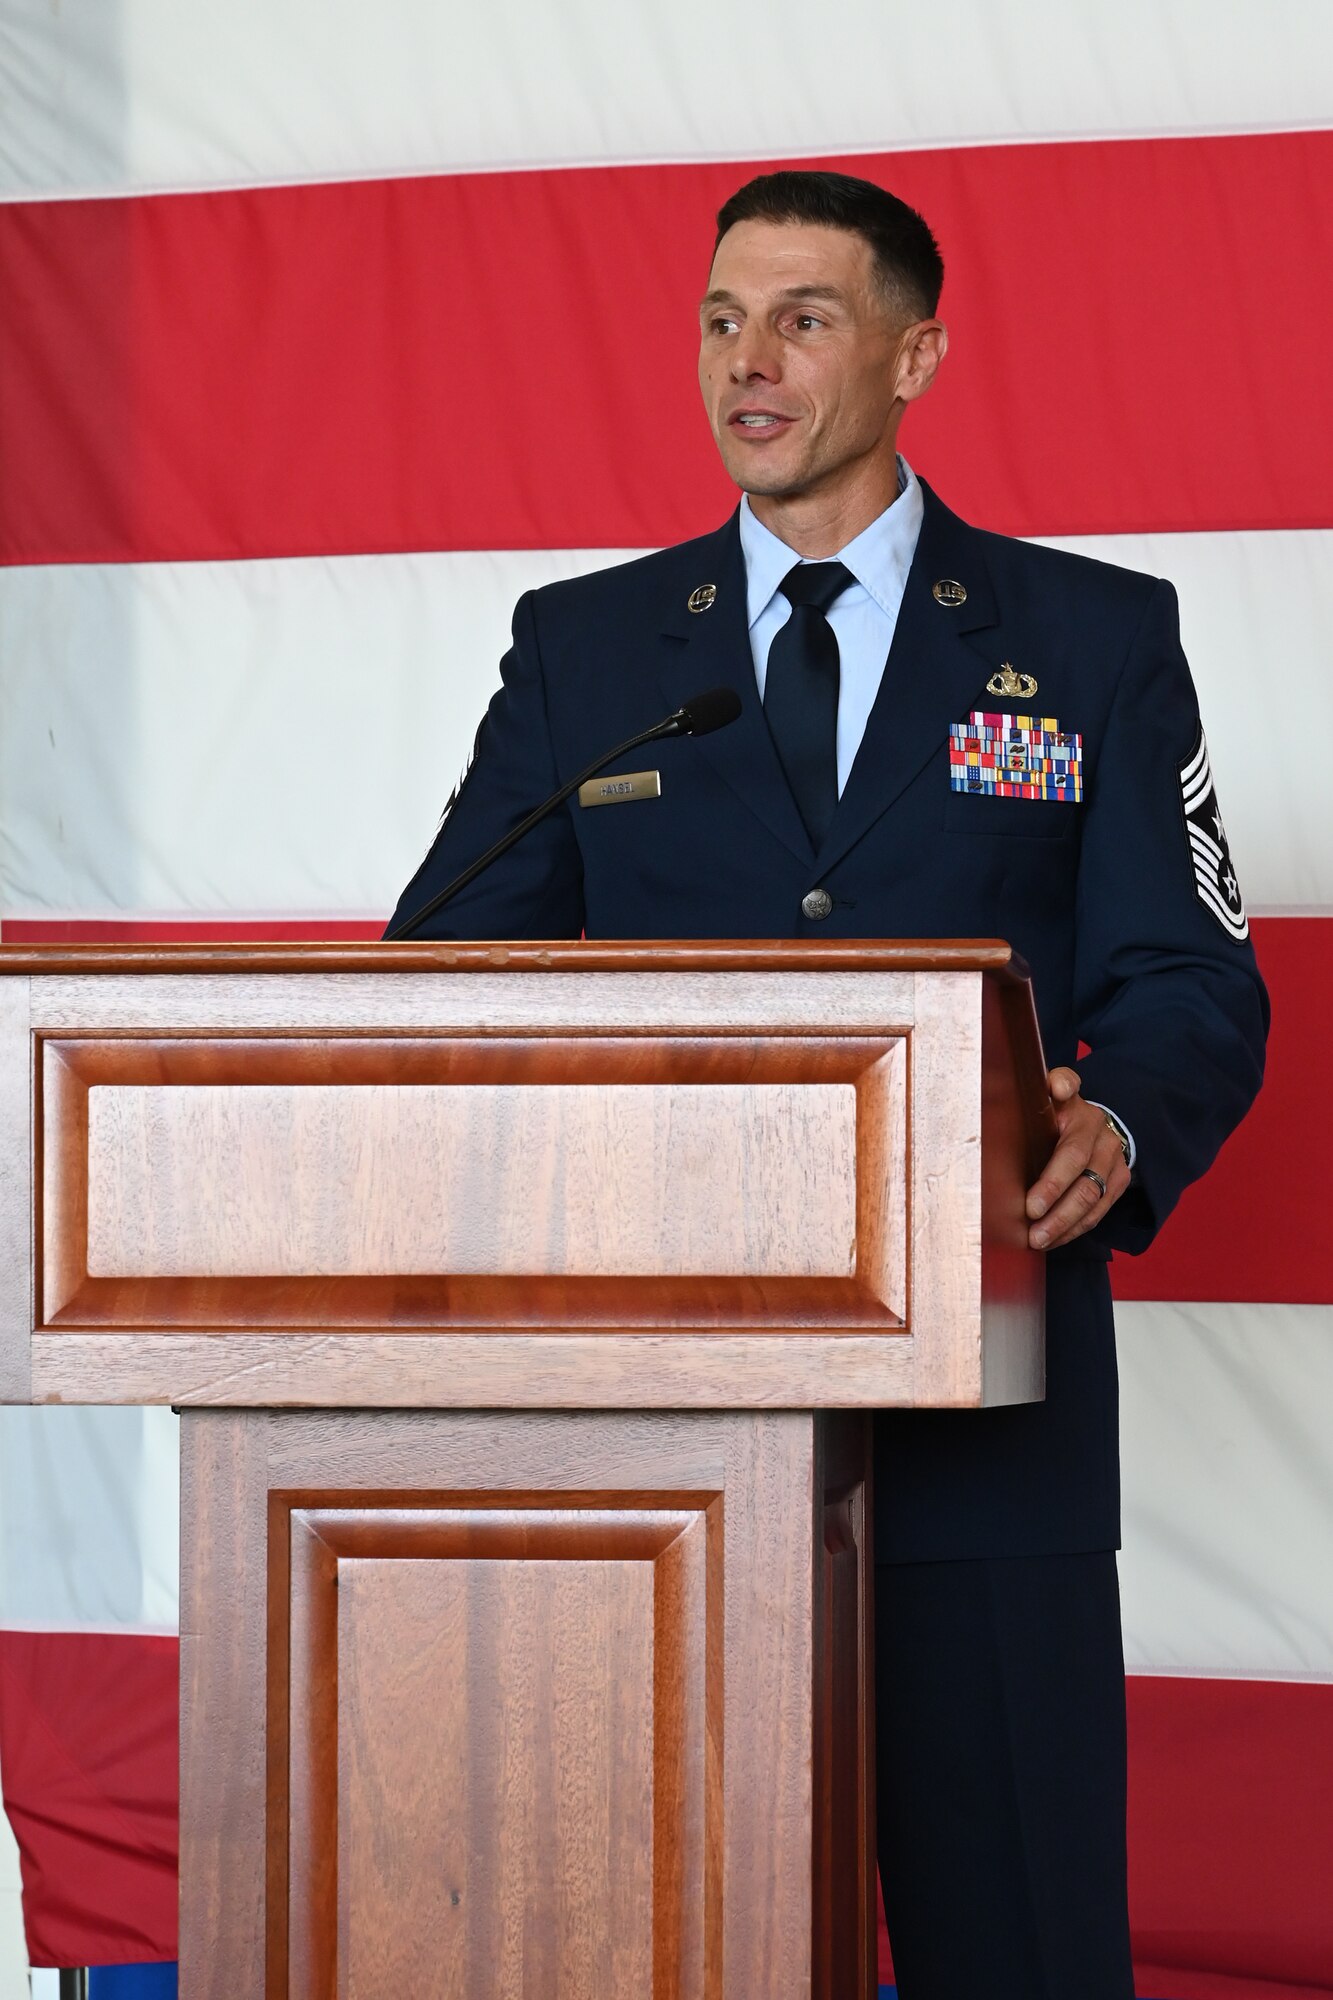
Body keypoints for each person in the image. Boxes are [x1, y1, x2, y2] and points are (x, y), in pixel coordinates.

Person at [388, 171, 1268, 1997]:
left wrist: (1115, 1119)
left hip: (987, 1416)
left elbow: (1189, 975)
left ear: (913, 355)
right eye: (721, 320)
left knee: (1016, 1946)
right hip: (660, 1430)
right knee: (666, 1948)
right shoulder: (587, 650)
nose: (748, 362)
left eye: (800, 319)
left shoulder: (1088, 637)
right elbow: (444, 976)